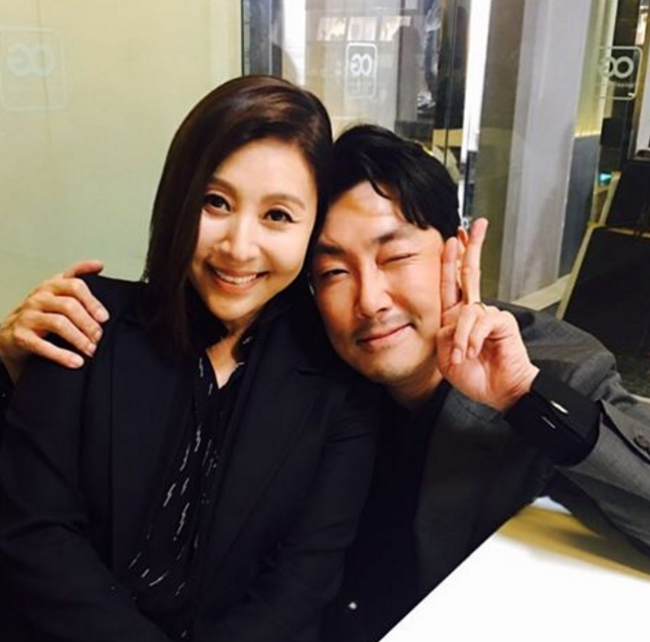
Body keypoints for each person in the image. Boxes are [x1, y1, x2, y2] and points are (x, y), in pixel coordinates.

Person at [4, 124, 650, 640]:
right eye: (333, 271)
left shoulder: (549, 365)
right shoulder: (306, 358)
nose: (370, 301)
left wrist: (522, 398)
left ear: (456, 253)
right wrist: (14, 364)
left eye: (396, 256)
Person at [0, 76, 377, 642]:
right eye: (215, 202)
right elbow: (35, 532)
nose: (239, 247)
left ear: (312, 230)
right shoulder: (85, 318)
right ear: (180, 198)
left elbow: (299, 586)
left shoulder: (337, 384)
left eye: (278, 215)